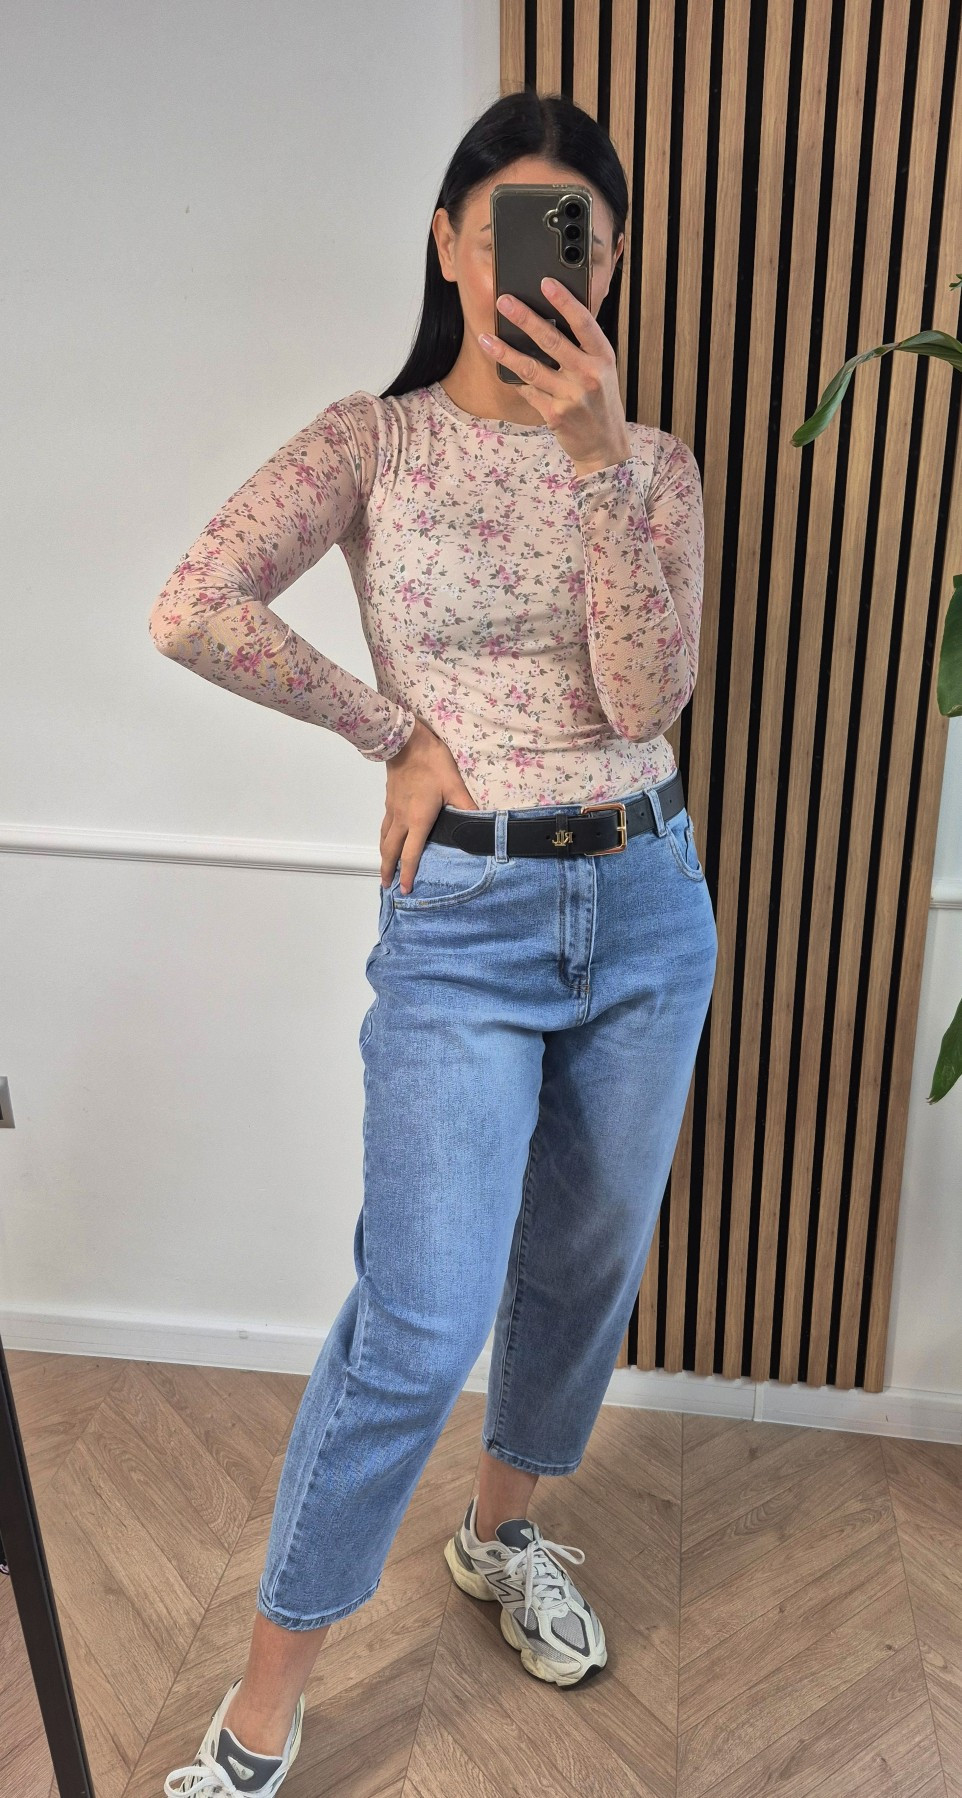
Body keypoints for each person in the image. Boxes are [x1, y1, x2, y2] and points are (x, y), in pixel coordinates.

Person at [153, 87, 716, 1798]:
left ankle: (499, 1533)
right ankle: (264, 1709)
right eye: (508, 228)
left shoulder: (654, 467)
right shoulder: (372, 443)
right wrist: (387, 727)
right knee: (418, 1315)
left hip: (644, 900)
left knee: (580, 1266)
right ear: (449, 243)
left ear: (609, 262)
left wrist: (597, 460)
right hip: (463, 918)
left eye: (579, 239)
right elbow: (193, 605)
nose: (544, 266)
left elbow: (645, 699)